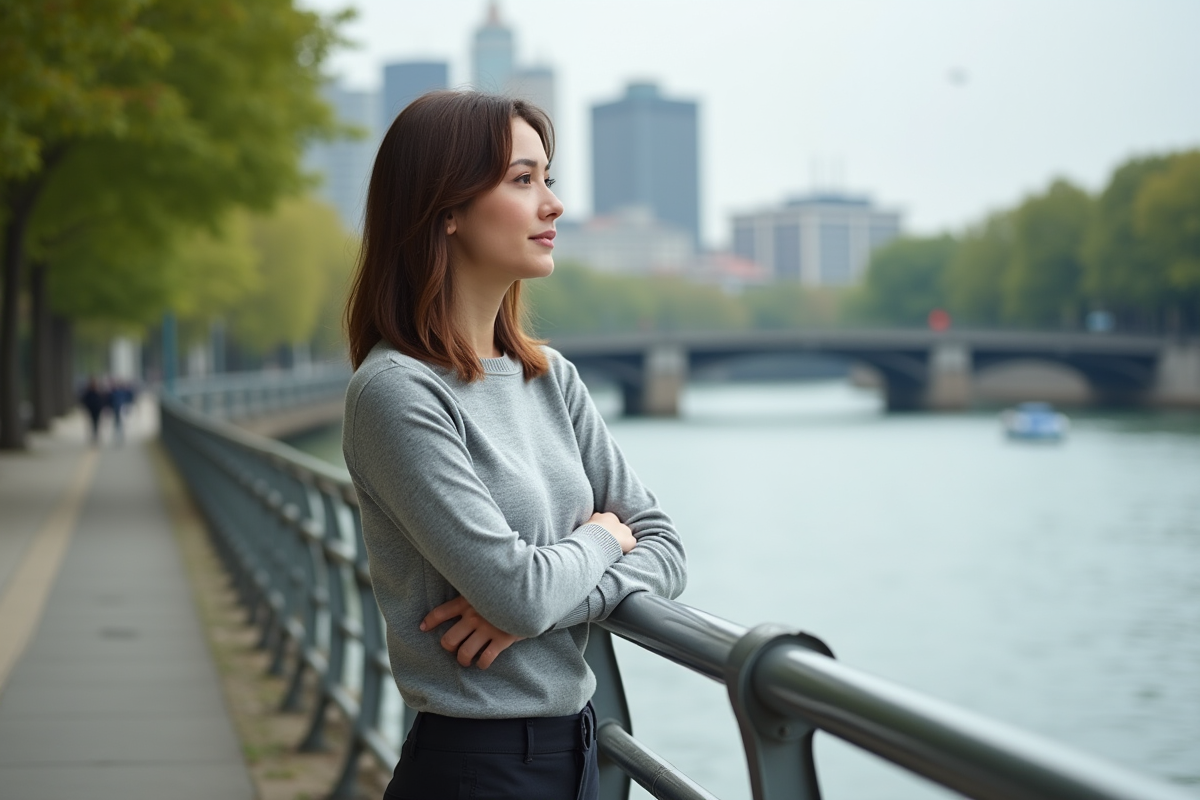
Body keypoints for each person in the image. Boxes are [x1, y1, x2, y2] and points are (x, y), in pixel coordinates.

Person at [342, 90, 687, 800]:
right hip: (477, 768)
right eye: (522, 180)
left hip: (581, 753)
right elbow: (518, 593)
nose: (553, 205)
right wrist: (601, 536)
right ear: (447, 209)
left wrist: (554, 598)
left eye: (547, 178)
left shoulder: (549, 376)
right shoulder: (399, 393)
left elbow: (665, 548)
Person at [79, 376, 109, 445]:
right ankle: (94, 435)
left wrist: (103, 407)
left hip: (97, 409)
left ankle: (96, 435)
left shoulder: (98, 391)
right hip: (91, 409)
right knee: (92, 422)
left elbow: (103, 400)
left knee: (97, 422)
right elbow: (84, 400)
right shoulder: (88, 392)